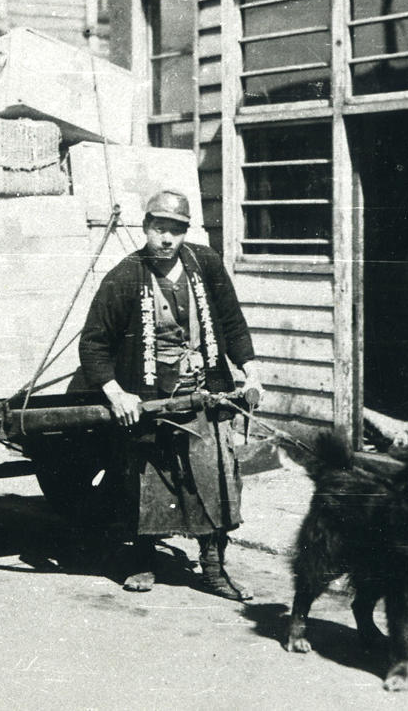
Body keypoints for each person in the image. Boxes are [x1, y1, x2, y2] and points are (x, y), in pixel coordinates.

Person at [78, 189, 262, 600]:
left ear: (185, 234)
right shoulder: (125, 276)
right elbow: (93, 343)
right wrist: (117, 394)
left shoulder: (206, 264)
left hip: (204, 394)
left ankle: (214, 569)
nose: (166, 240)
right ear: (145, 228)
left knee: (214, 476)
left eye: (176, 231)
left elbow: (232, 322)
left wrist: (251, 372)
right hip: (150, 401)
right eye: (159, 229)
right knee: (150, 480)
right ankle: (143, 560)